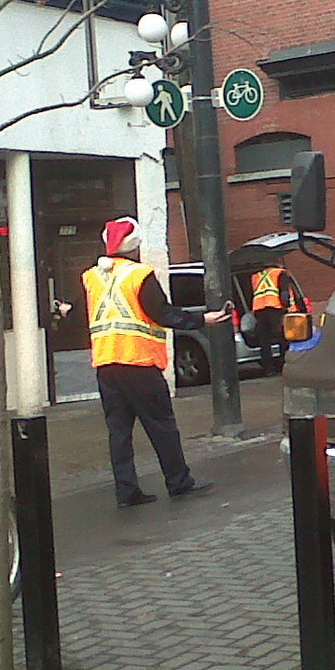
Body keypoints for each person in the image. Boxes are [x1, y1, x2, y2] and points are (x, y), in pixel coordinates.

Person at [78, 217, 231, 508]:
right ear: (134, 245)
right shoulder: (139, 275)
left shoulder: (90, 276)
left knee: (119, 432)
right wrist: (202, 319)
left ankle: (127, 491)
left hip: (106, 364)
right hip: (139, 362)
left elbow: (84, 314)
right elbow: (162, 314)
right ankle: (178, 482)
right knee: (161, 425)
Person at [250, 265, 298, 375]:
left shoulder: (257, 276)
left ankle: (269, 369)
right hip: (275, 308)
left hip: (259, 310)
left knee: (264, 341)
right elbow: (284, 293)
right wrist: (288, 308)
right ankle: (283, 366)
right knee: (283, 337)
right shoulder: (280, 273)